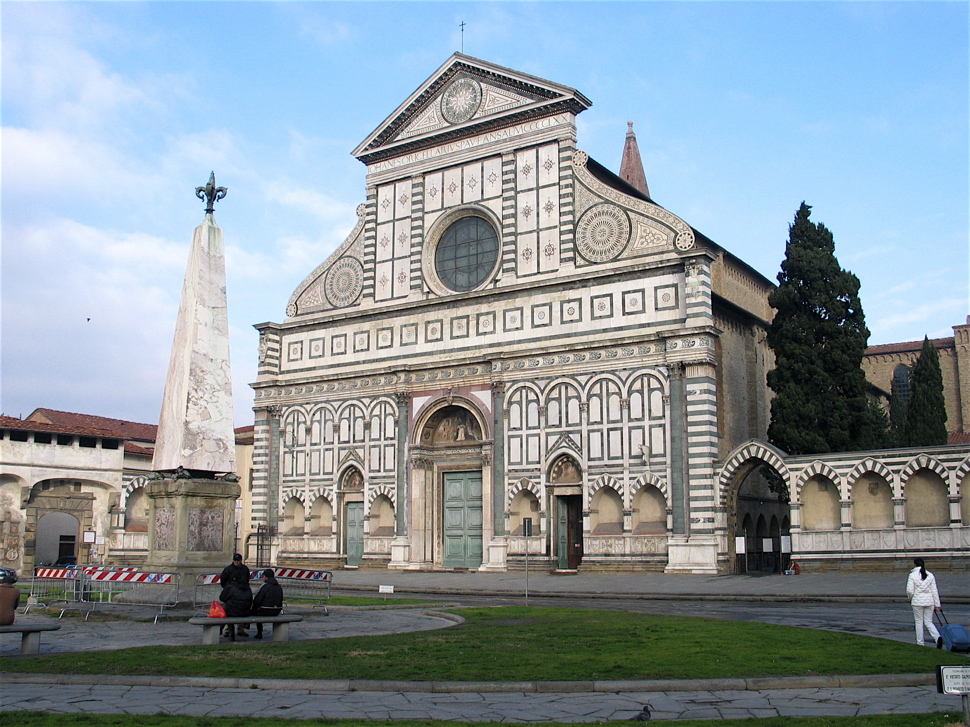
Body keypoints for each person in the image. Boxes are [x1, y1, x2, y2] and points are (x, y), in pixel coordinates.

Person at [906, 557, 942, 647]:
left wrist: (911, 597)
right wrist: (937, 604)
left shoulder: (912, 575)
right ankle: (937, 637)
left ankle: (920, 643)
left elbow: (910, 590)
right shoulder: (930, 575)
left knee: (919, 622)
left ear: (915, 564)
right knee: (929, 622)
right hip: (929, 601)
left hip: (917, 602)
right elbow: (934, 590)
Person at [220, 553, 252, 636]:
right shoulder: (228, 569)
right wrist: (227, 589)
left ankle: (240, 629)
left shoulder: (244, 569)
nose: (236, 562)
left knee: (233, 608)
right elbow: (223, 580)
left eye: (238, 560)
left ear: (241, 561)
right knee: (230, 608)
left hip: (239, 592)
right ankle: (227, 629)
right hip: (231, 593)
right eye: (235, 560)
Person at [250, 568, 284, 639]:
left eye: (263, 576)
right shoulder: (279, 587)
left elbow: (257, 600)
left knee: (256, 612)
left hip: (265, 610)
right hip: (277, 610)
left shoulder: (265, 586)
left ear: (266, 577)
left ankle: (259, 633)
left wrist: (253, 609)